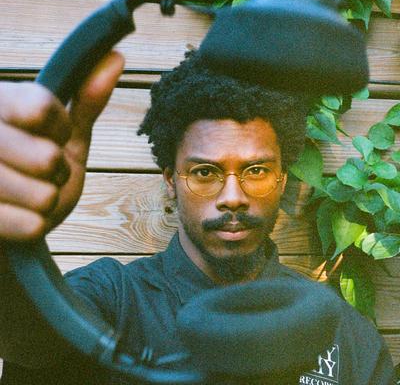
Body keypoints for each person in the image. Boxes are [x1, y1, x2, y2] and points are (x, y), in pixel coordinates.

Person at [0, 50, 396, 385]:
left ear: (282, 179)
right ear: (171, 181)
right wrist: (15, 240)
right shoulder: (115, 299)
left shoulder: (341, 327)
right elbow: (27, 337)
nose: (233, 197)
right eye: (205, 172)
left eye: (256, 170)